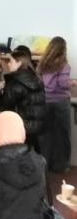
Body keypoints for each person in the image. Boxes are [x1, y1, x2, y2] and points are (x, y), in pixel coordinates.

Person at [0, 48, 45, 152]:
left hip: (20, 126)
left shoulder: (15, 83)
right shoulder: (36, 78)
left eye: (10, 61)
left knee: (20, 159)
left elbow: (3, 106)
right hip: (35, 127)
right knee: (33, 156)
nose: (8, 64)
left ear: (19, 63)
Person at [38, 36, 73, 173]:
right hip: (60, 103)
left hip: (45, 101)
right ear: (63, 49)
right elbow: (64, 83)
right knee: (62, 135)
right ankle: (62, 166)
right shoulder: (63, 64)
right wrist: (73, 83)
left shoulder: (42, 63)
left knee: (46, 135)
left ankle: (44, 165)